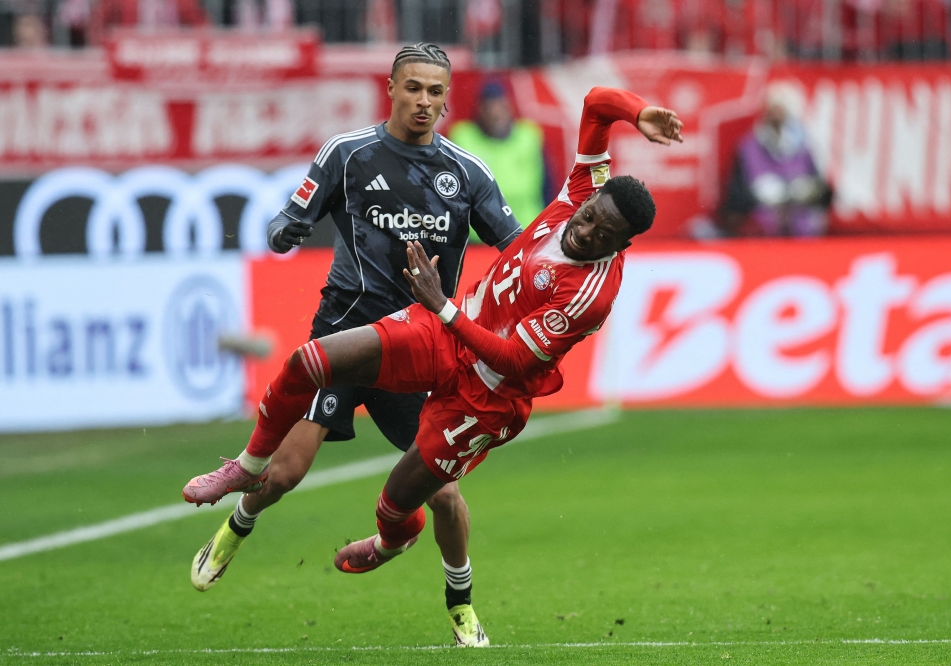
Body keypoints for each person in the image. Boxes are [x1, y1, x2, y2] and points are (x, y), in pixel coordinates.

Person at [183, 85, 682, 642]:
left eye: (602, 235)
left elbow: (516, 359)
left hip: (485, 395)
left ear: (621, 246)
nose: (585, 230)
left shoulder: (593, 290)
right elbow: (595, 103)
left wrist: (441, 303)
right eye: (589, 217)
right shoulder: (576, 191)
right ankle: (247, 473)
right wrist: (639, 114)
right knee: (308, 367)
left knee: (405, 504)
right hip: (436, 327)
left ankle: (426, 572)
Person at [185, 43, 522, 648]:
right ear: (390, 87)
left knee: (443, 490)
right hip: (345, 336)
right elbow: (287, 220)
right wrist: (285, 230)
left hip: (420, 349)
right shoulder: (348, 154)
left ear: (448, 99)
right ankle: (239, 525)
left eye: (436, 92)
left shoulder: (468, 174)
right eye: (413, 88)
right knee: (285, 473)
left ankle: (462, 606)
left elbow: (516, 249)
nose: (424, 101)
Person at [718, 83, 832, 237]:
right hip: (761, 232)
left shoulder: (806, 145)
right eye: (773, 111)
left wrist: (806, 191)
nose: (777, 117)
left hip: (802, 232)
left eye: (782, 111)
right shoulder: (748, 147)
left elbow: (823, 194)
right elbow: (734, 197)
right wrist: (756, 195)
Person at [449, 81, 549, 233]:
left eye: (501, 106)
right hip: (478, 237)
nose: (496, 114)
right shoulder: (463, 138)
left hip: (526, 232)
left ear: (509, 107)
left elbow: (548, 184)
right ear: (479, 110)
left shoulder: (529, 136)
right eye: (489, 108)